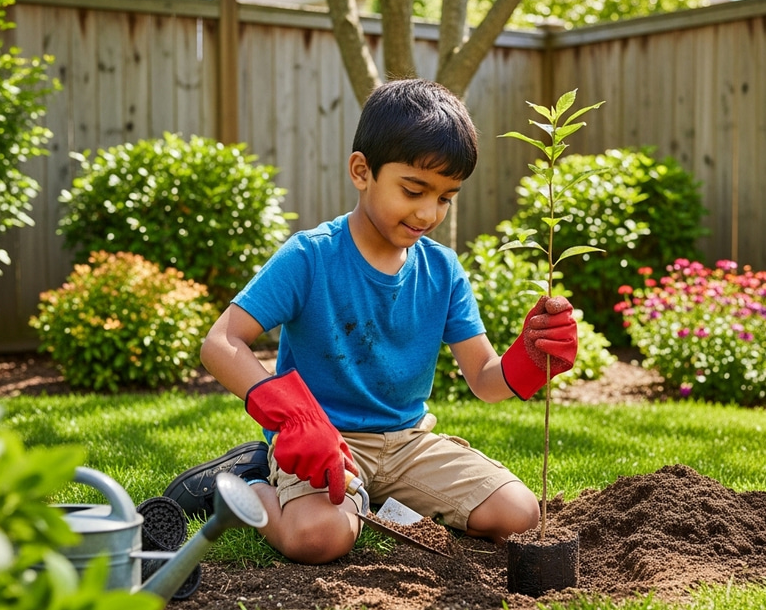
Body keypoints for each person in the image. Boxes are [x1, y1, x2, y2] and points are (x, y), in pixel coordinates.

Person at [164, 78, 578, 564]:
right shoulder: (310, 257)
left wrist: (530, 358)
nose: (429, 212)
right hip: (323, 442)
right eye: (414, 189)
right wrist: (295, 417)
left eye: (446, 197)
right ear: (362, 171)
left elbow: (485, 380)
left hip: (408, 443)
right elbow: (221, 342)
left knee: (519, 513)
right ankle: (244, 488)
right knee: (319, 538)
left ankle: (368, 496)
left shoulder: (442, 271)